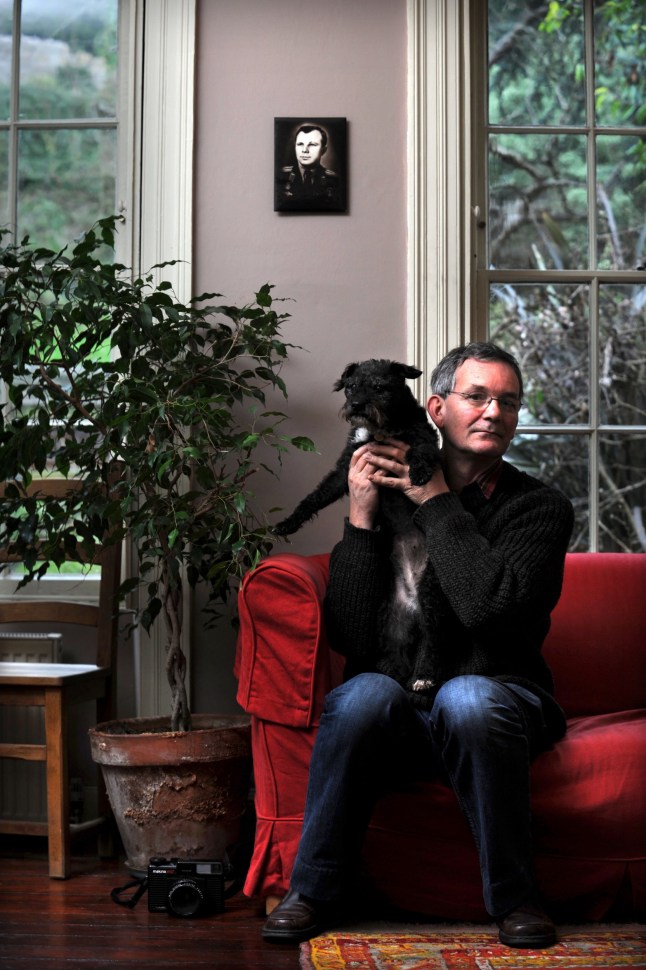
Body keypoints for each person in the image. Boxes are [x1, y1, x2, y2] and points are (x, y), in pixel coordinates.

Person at [262, 342, 574, 949]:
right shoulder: (382, 493)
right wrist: (360, 519)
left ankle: (517, 899)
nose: (493, 412)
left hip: (502, 699)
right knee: (361, 696)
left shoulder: (540, 509)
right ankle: (312, 891)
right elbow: (352, 637)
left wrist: (435, 501)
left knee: (467, 698)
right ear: (436, 408)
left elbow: (488, 610)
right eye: (476, 396)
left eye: (508, 402)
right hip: (402, 707)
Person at [276, 123, 341, 209]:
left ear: (324, 150)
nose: (304, 150)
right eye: (300, 144)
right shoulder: (281, 175)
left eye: (312, 145)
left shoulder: (333, 179)